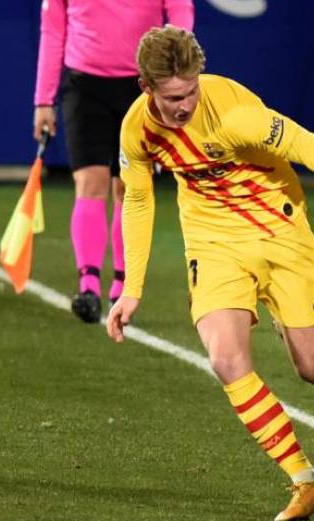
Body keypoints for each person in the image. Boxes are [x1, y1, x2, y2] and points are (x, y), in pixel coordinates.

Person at [105, 26, 314, 521]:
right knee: (226, 358)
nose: (184, 106)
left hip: (279, 229)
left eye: (190, 92)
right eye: (172, 98)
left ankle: (282, 312)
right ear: (147, 89)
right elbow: (139, 200)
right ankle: (305, 479)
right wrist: (131, 288)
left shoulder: (235, 115)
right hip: (213, 242)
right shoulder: (136, 129)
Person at [33, 0, 194, 323]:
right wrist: (43, 100)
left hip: (141, 87)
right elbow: (52, 31)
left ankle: (123, 285)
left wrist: (175, 75)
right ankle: (88, 286)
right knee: (89, 183)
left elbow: (180, 13)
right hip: (83, 85)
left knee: (128, 187)